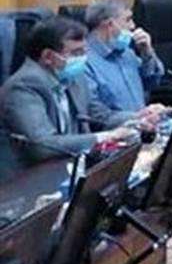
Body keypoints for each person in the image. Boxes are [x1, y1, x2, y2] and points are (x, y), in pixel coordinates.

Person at [0, 17, 149, 167]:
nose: (82, 59)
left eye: (84, 51)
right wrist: (105, 137)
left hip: (73, 165)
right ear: (48, 56)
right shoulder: (24, 86)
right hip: (32, 174)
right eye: (76, 53)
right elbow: (43, 145)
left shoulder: (73, 77)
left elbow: (98, 115)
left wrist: (138, 118)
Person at [83, 0, 167, 113]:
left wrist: (147, 53)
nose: (133, 26)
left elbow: (152, 82)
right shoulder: (85, 63)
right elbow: (94, 113)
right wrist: (139, 117)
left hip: (144, 122)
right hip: (121, 125)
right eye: (128, 20)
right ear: (110, 25)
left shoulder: (127, 53)